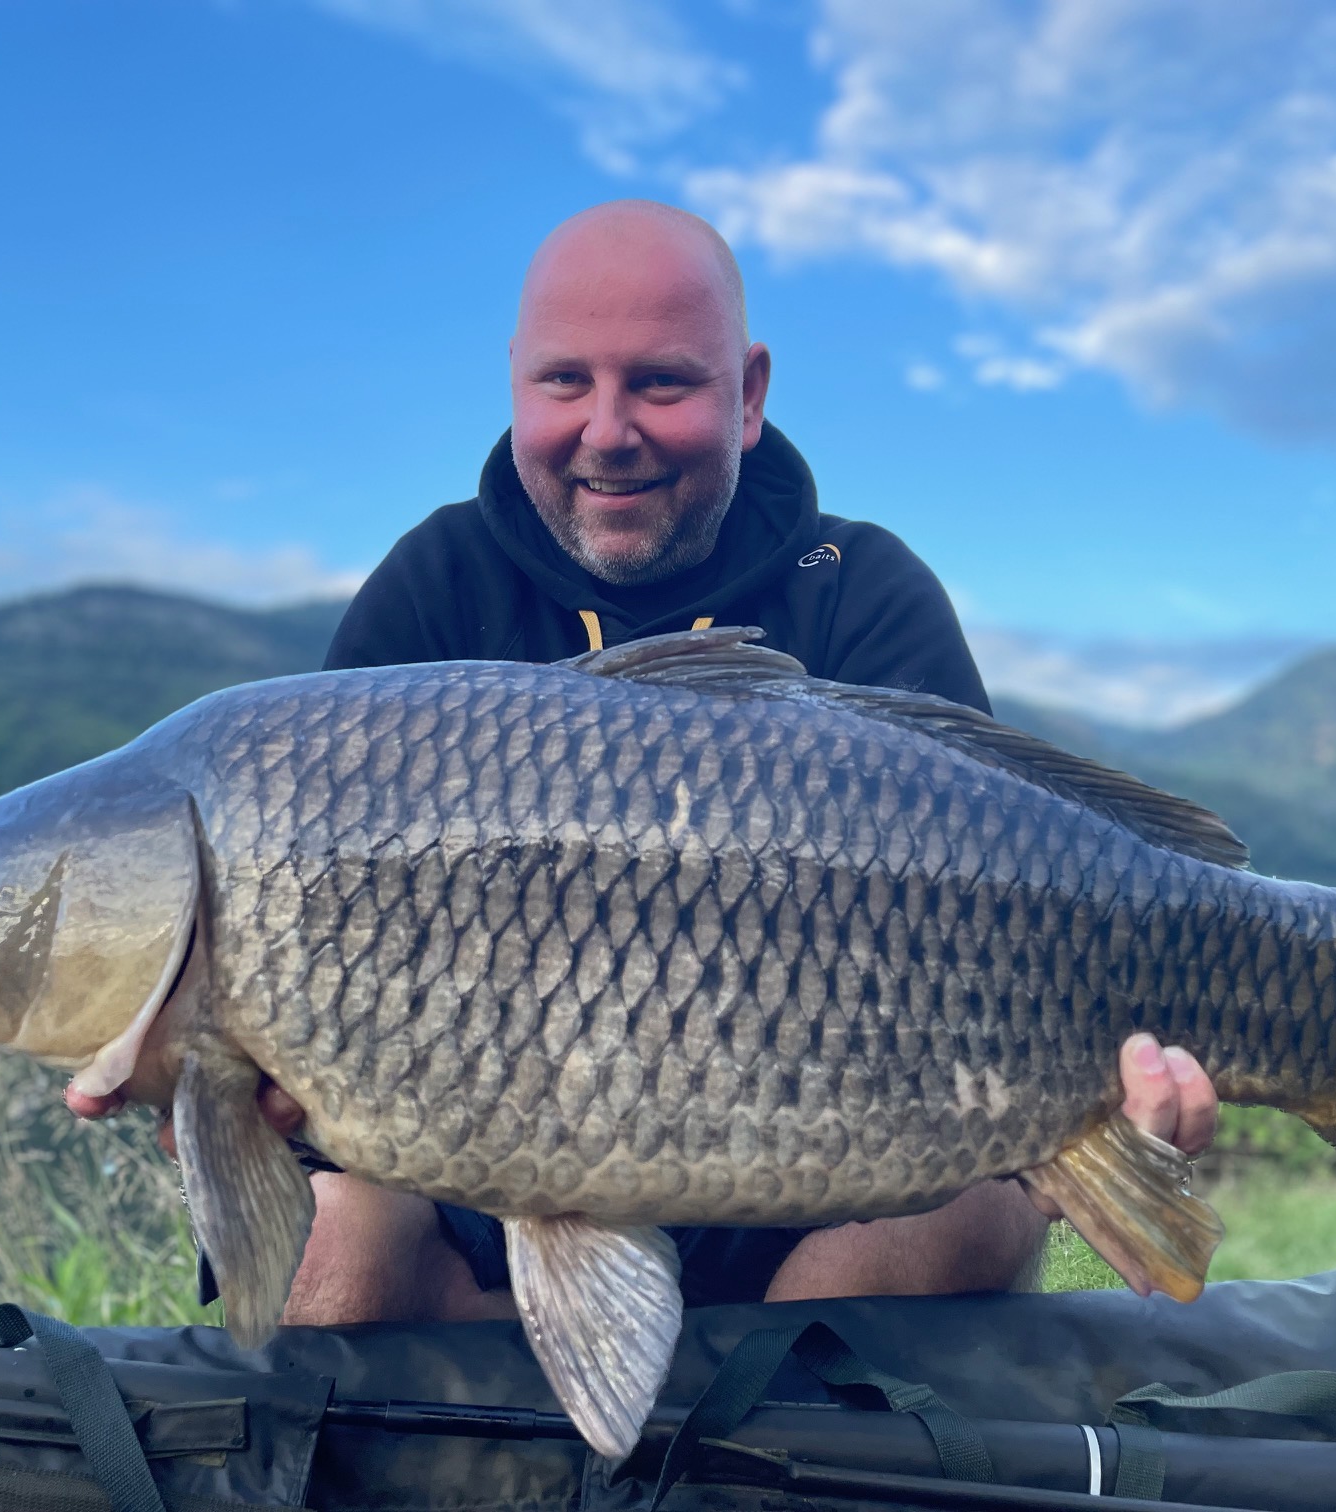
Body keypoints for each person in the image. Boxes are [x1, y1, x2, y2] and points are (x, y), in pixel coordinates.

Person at [72, 199, 1219, 1325]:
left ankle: (771, 1449)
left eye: (661, 382)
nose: (607, 429)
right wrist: (243, 1085)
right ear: (516, 382)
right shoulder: (435, 590)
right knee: (325, 1263)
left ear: (750, 393)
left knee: (952, 1229)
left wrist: (1112, 1127)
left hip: (838, 1178)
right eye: (564, 381)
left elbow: (1032, 903)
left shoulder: (861, 592)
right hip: (480, 1185)